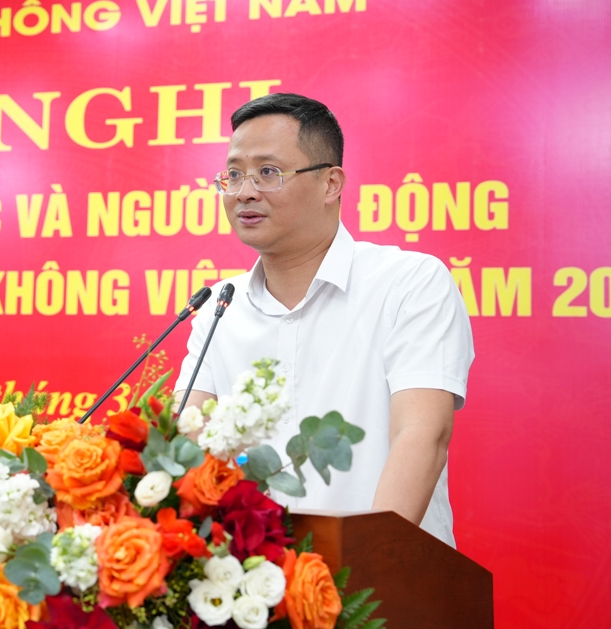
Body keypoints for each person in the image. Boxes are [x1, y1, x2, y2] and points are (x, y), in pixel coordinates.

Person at [174, 93, 474, 546]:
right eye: (233, 175)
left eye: (268, 172)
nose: (244, 192)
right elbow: (188, 444)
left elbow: (422, 435)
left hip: (375, 580)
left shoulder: (409, 283)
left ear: (331, 183)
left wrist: (364, 566)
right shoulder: (219, 305)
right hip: (255, 577)